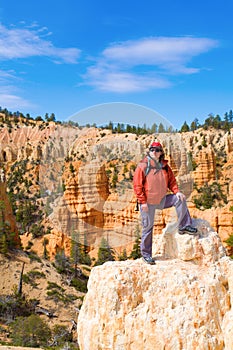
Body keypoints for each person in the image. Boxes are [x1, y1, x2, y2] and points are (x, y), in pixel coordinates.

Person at [133, 141, 197, 265]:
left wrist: (177, 191)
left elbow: (172, 182)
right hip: (147, 202)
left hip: (161, 200)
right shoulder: (143, 166)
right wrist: (143, 202)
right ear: (149, 151)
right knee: (148, 227)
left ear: (161, 152)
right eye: (152, 149)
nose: (154, 152)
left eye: (157, 150)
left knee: (180, 199)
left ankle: (184, 225)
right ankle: (146, 255)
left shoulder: (165, 167)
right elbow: (137, 185)